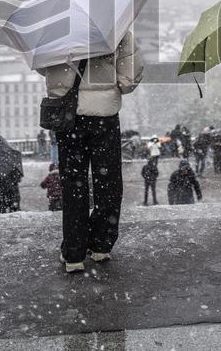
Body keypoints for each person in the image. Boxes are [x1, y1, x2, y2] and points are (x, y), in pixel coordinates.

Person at [38, 31, 143, 274]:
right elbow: (129, 79)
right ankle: (101, 244)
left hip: (69, 116)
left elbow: (43, 69)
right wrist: (109, 84)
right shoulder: (115, 27)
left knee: (73, 185)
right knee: (108, 181)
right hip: (104, 117)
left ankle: (74, 253)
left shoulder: (55, 27)